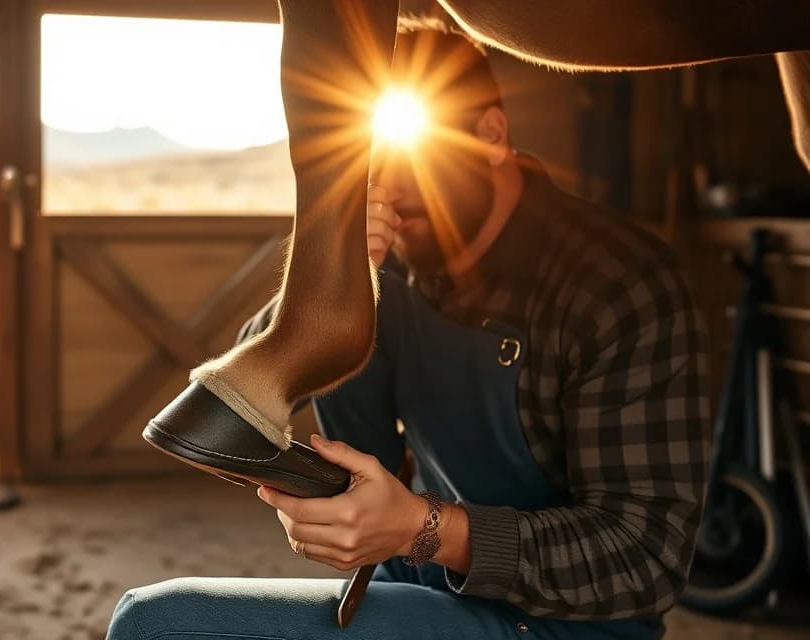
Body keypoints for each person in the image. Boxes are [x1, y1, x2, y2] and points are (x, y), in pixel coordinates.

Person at [107, 18, 710, 640]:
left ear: (492, 136)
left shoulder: (621, 283)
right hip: (414, 579)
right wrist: (324, 272)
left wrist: (425, 528)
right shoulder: (390, 252)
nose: (388, 187)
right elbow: (260, 387)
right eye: (367, 161)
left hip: (563, 623)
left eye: (414, 153)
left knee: (159, 624)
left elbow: (648, 560)